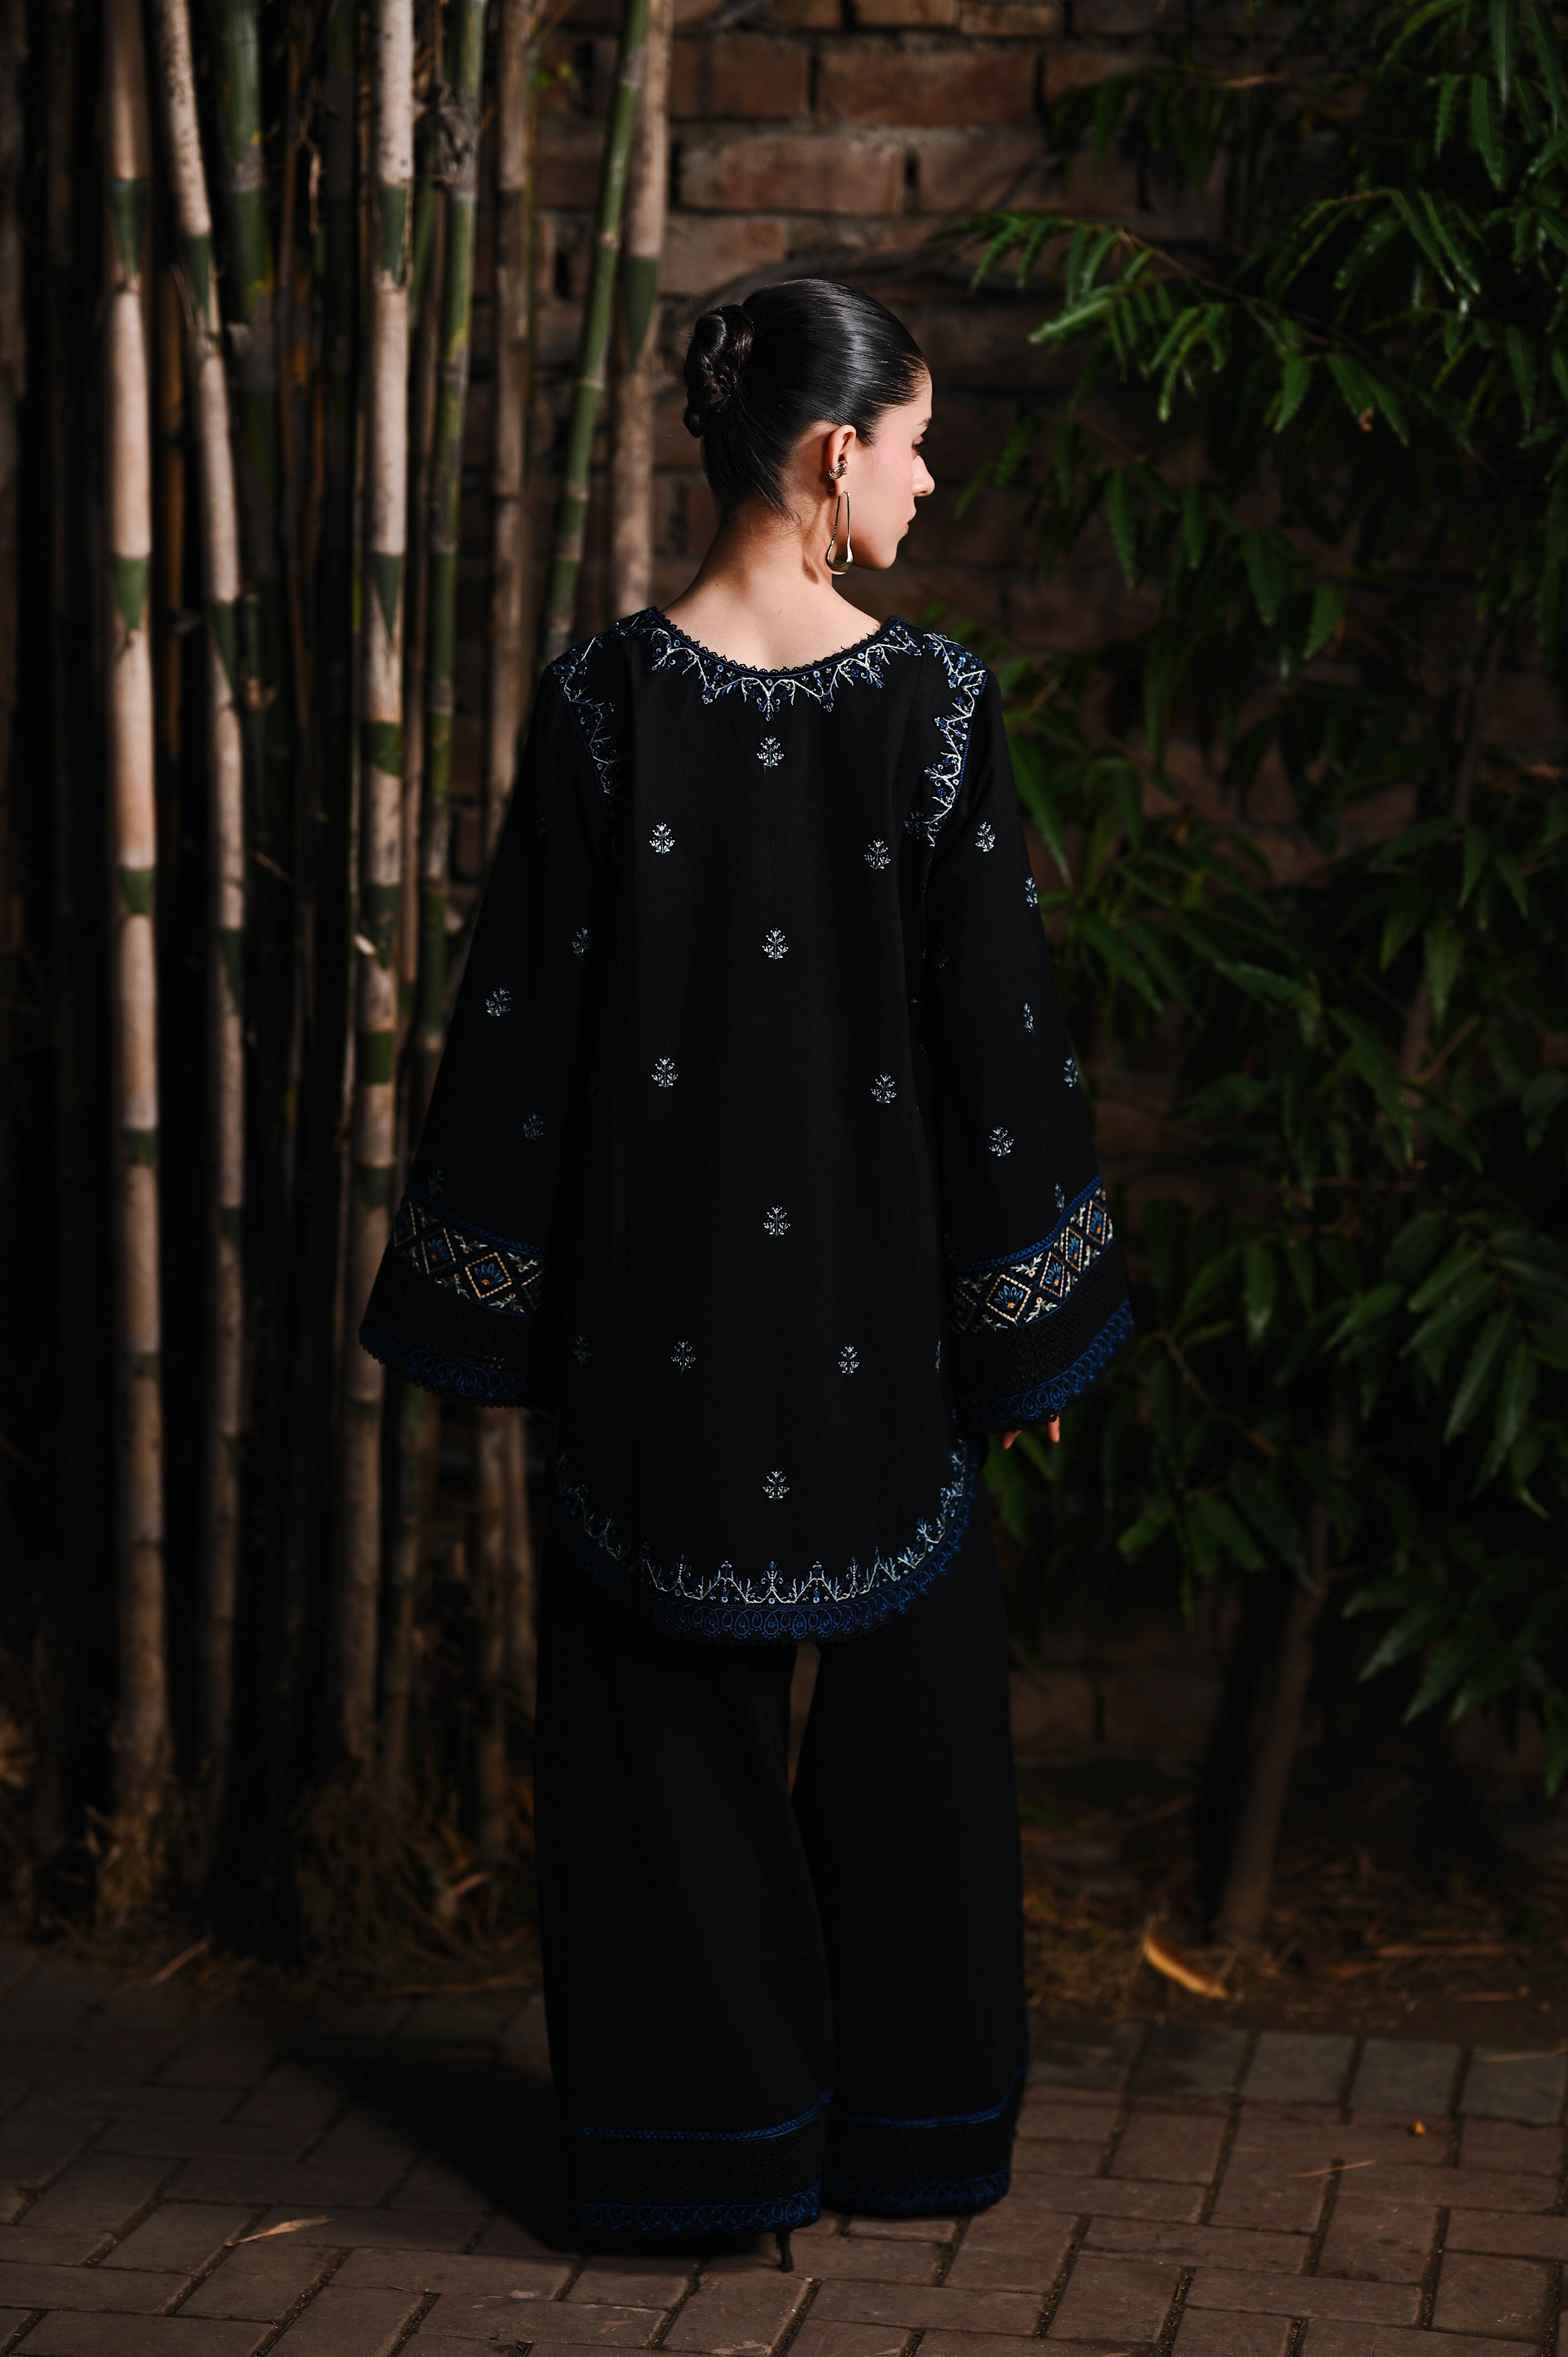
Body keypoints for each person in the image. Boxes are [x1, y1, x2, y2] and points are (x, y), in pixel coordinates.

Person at [361, 278, 1132, 2247]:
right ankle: (907, 2137)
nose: (935, 482)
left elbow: (521, 1032)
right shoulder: (936, 705)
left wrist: (490, 1322)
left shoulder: (597, 697)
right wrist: (1025, 1334)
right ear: (834, 452)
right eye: (920, 445)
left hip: (654, 1318)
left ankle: (698, 2163)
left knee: (656, 1752)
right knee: (914, 1746)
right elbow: (1000, 1045)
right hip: (889, 1322)